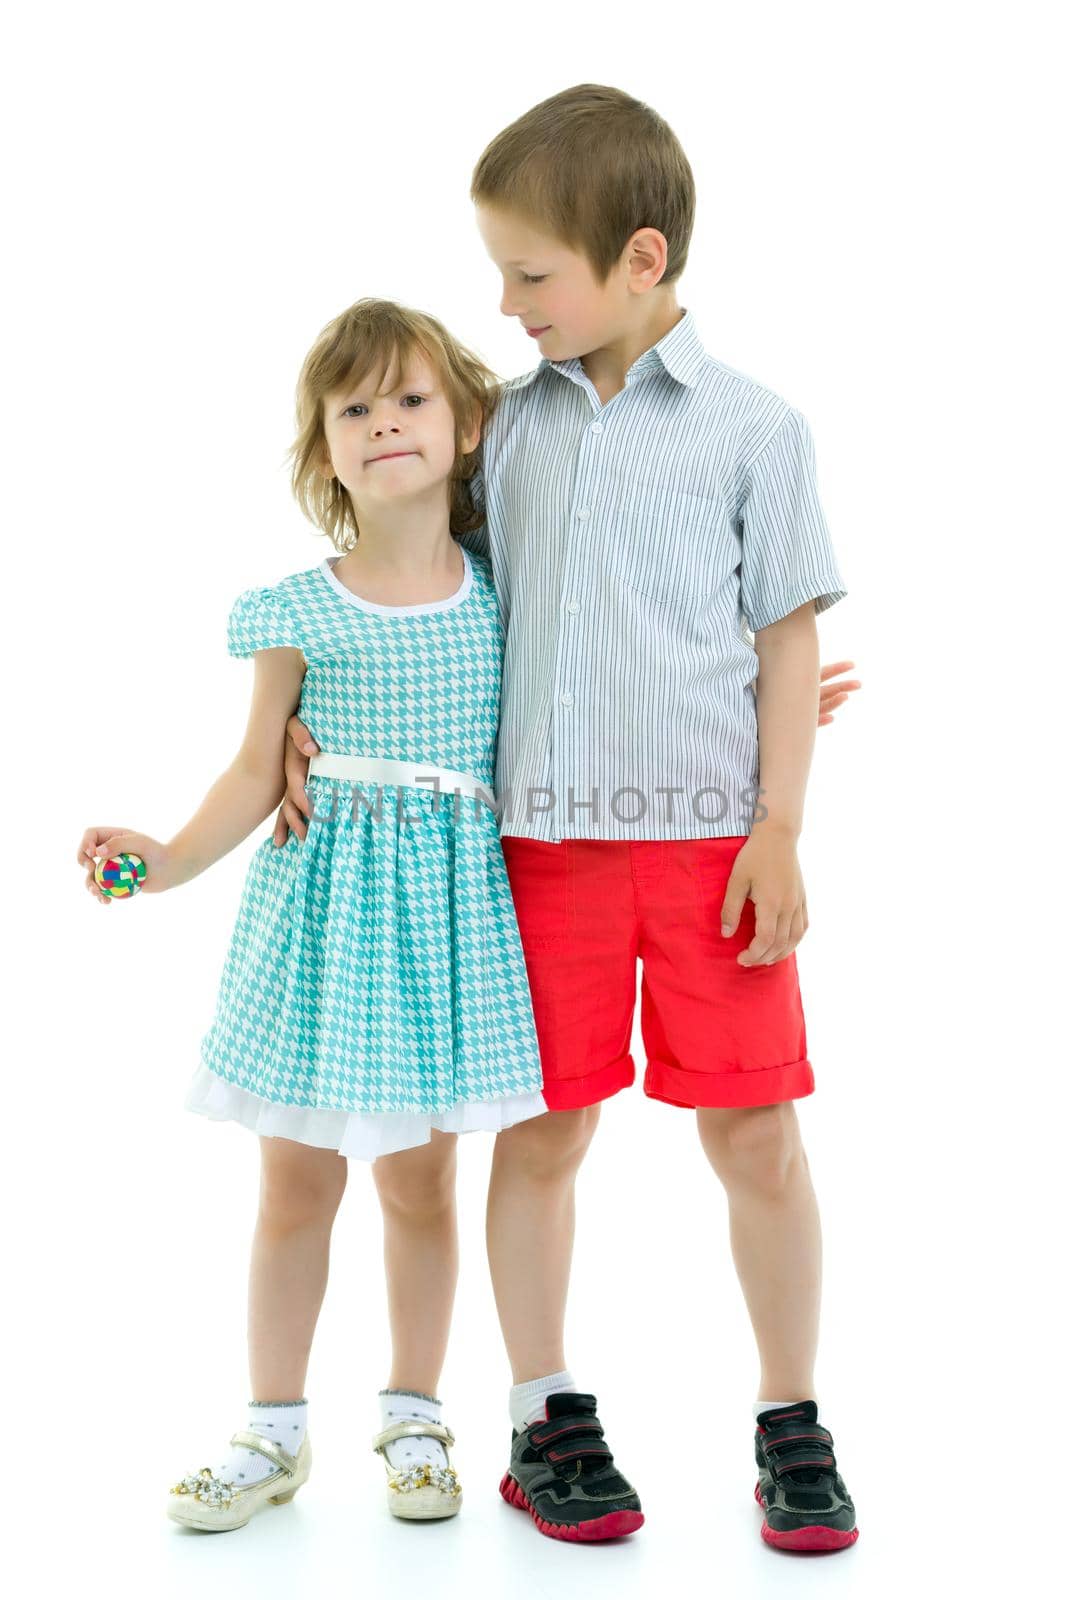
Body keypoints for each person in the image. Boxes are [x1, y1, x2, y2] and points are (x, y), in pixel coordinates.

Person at [277, 85, 863, 1551]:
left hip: (713, 846)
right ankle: (549, 1414)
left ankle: (789, 1417)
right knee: (542, 1136)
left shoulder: (754, 428)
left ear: (640, 260)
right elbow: (420, 590)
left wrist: (778, 820)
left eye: (531, 275)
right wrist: (303, 722)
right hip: (534, 854)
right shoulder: (506, 433)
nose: (505, 301)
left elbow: (783, 636)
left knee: (755, 1132)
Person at [76, 298, 549, 1532]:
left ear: (464, 429)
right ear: (322, 450)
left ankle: (412, 1414)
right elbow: (250, 770)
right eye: (354, 408)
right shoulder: (297, 607)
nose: (383, 423)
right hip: (323, 924)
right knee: (293, 1185)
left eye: (409, 400)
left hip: (444, 934)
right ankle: (271, 1429)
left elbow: (597, 689)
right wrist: (164, 862)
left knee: (420, 1187)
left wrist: (736, 713)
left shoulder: (507, 595)